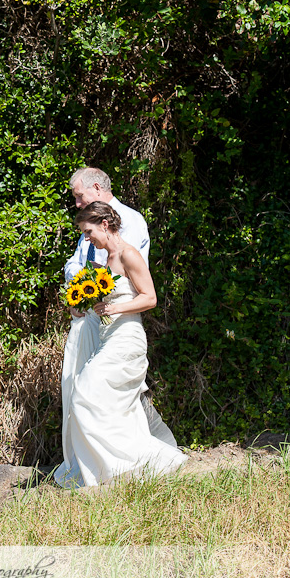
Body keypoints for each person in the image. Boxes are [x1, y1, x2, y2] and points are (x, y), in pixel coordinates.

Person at [54, 202, 187, 487]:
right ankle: (119, 468)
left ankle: (127, 463)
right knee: (108, 405)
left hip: (127, 339)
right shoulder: (103, 262)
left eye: (88, 232)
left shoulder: (129, 254)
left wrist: (116, 309)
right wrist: (81, 305)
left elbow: (149, 298)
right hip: (107, 337)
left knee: (84, 395)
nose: (87, 239)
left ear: (105, 224)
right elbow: (103, 299)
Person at [62, 166, 178, 448]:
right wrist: (77, 297)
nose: (77, 203)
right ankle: (103, 460)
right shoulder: (88, 226)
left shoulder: (129, 223)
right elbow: (78, 266)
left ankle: (143, 452)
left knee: (105, 393)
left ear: (97, 190)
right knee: (94, 393)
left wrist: (110, 306)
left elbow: (131, 282)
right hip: (95, 324)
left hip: (122, 326)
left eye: (79, 196)